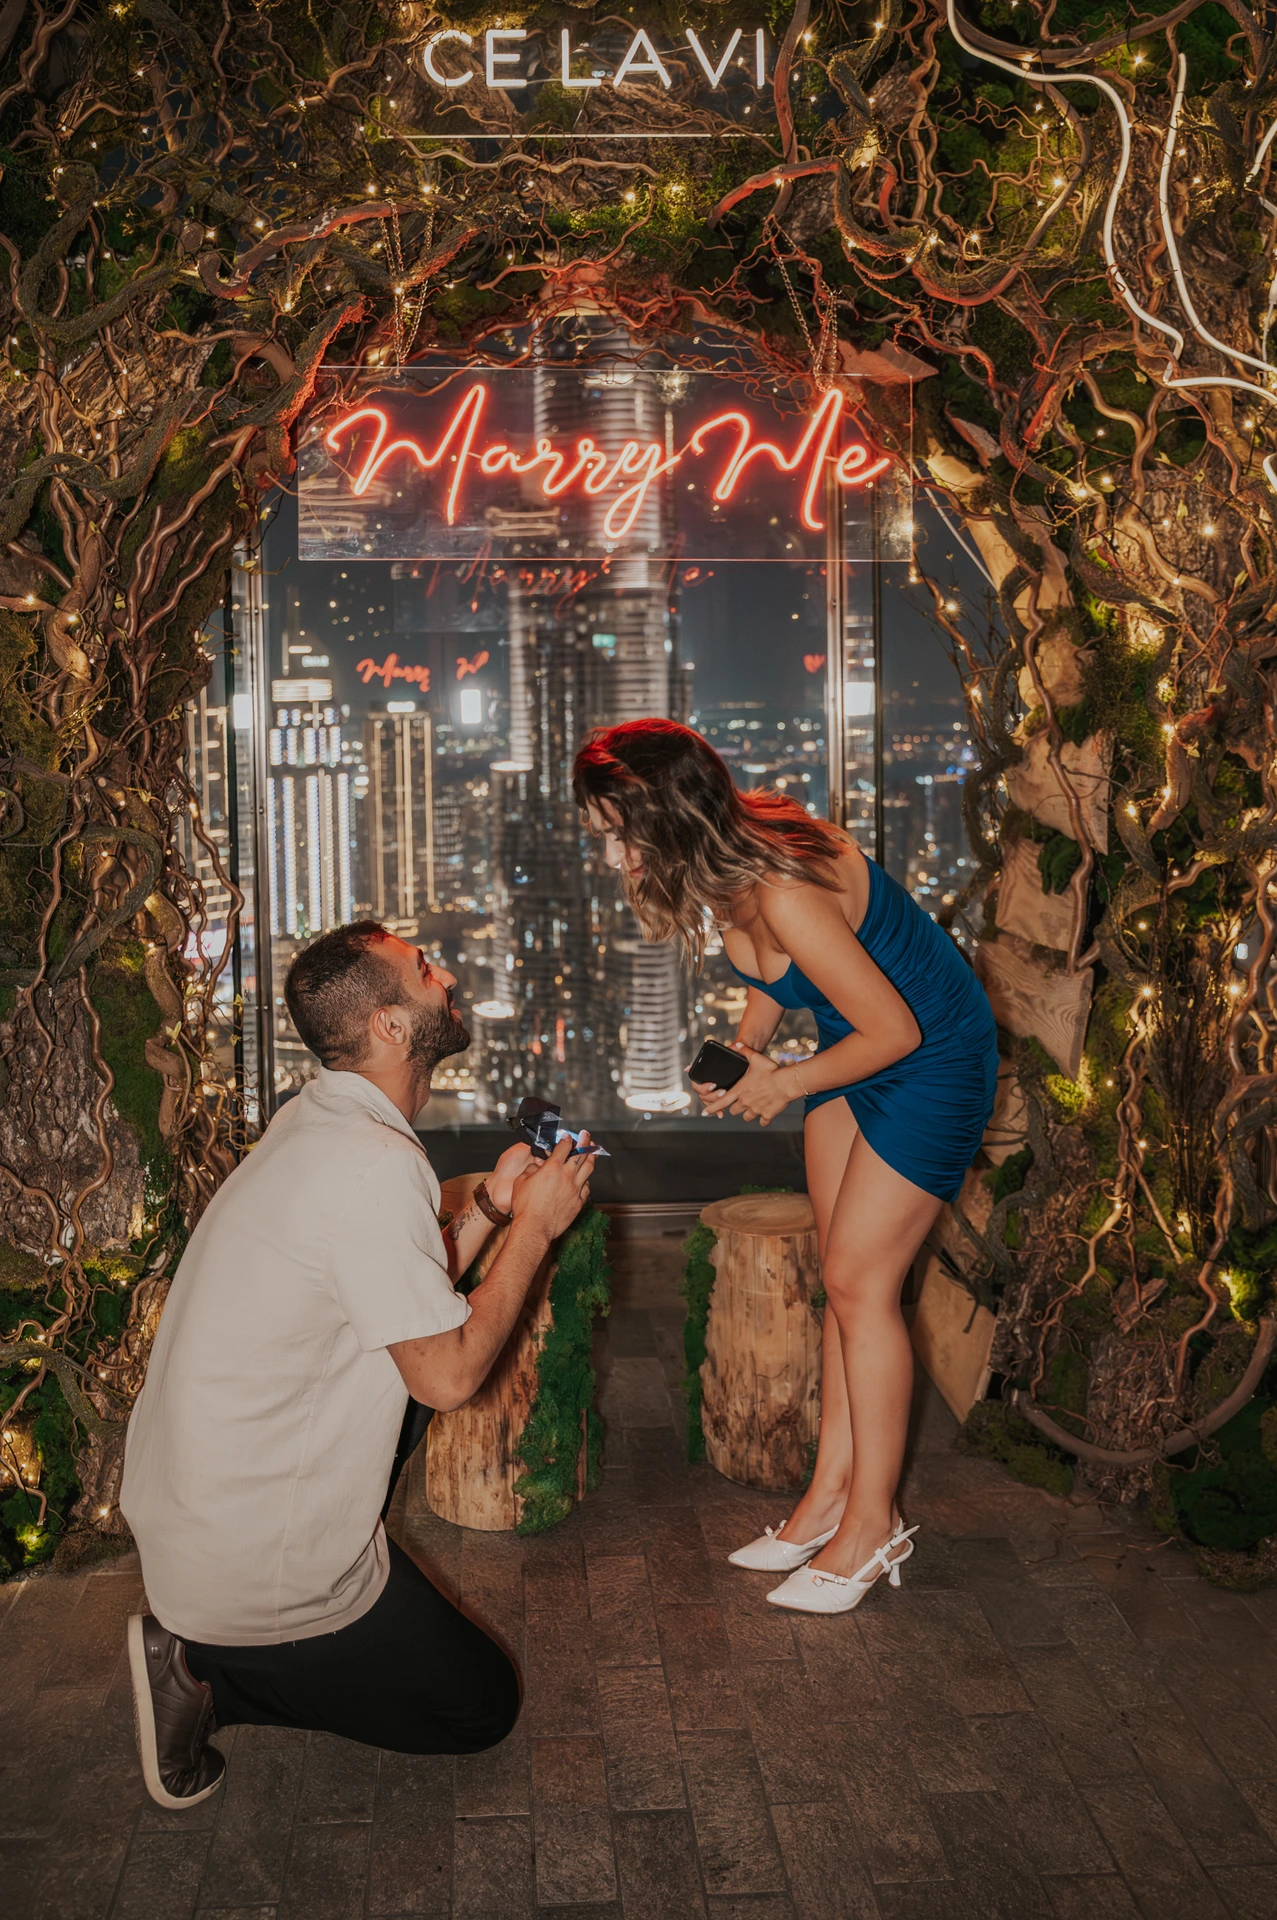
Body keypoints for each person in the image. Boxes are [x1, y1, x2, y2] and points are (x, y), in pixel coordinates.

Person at [120, 921, 595, 1809]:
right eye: (425, 971)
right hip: (253, 1558)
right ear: (389, 1024)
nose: (447, 975)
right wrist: (536, 1228)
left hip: (194, 1507)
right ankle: (205, 1671)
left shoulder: (321, 1118)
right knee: (478, 1709)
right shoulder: (374, 1165)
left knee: (409, 1366)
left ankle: (221, 1637)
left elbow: (389, 1288)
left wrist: (492, 1205)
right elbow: (449, 1376)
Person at [573, 720, 997, 1616]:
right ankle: (828, 1500)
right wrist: (746, 1046)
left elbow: (901, 1030)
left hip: (930, 1059)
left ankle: (872, 1526)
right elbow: (789, 980)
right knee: (843, 1282)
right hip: (855, 1046)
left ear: (671, 815)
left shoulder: (785, 884)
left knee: (857, 1281)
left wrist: (785, 1083)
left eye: (619, 830)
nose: (612, 852)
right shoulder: (738, 847)